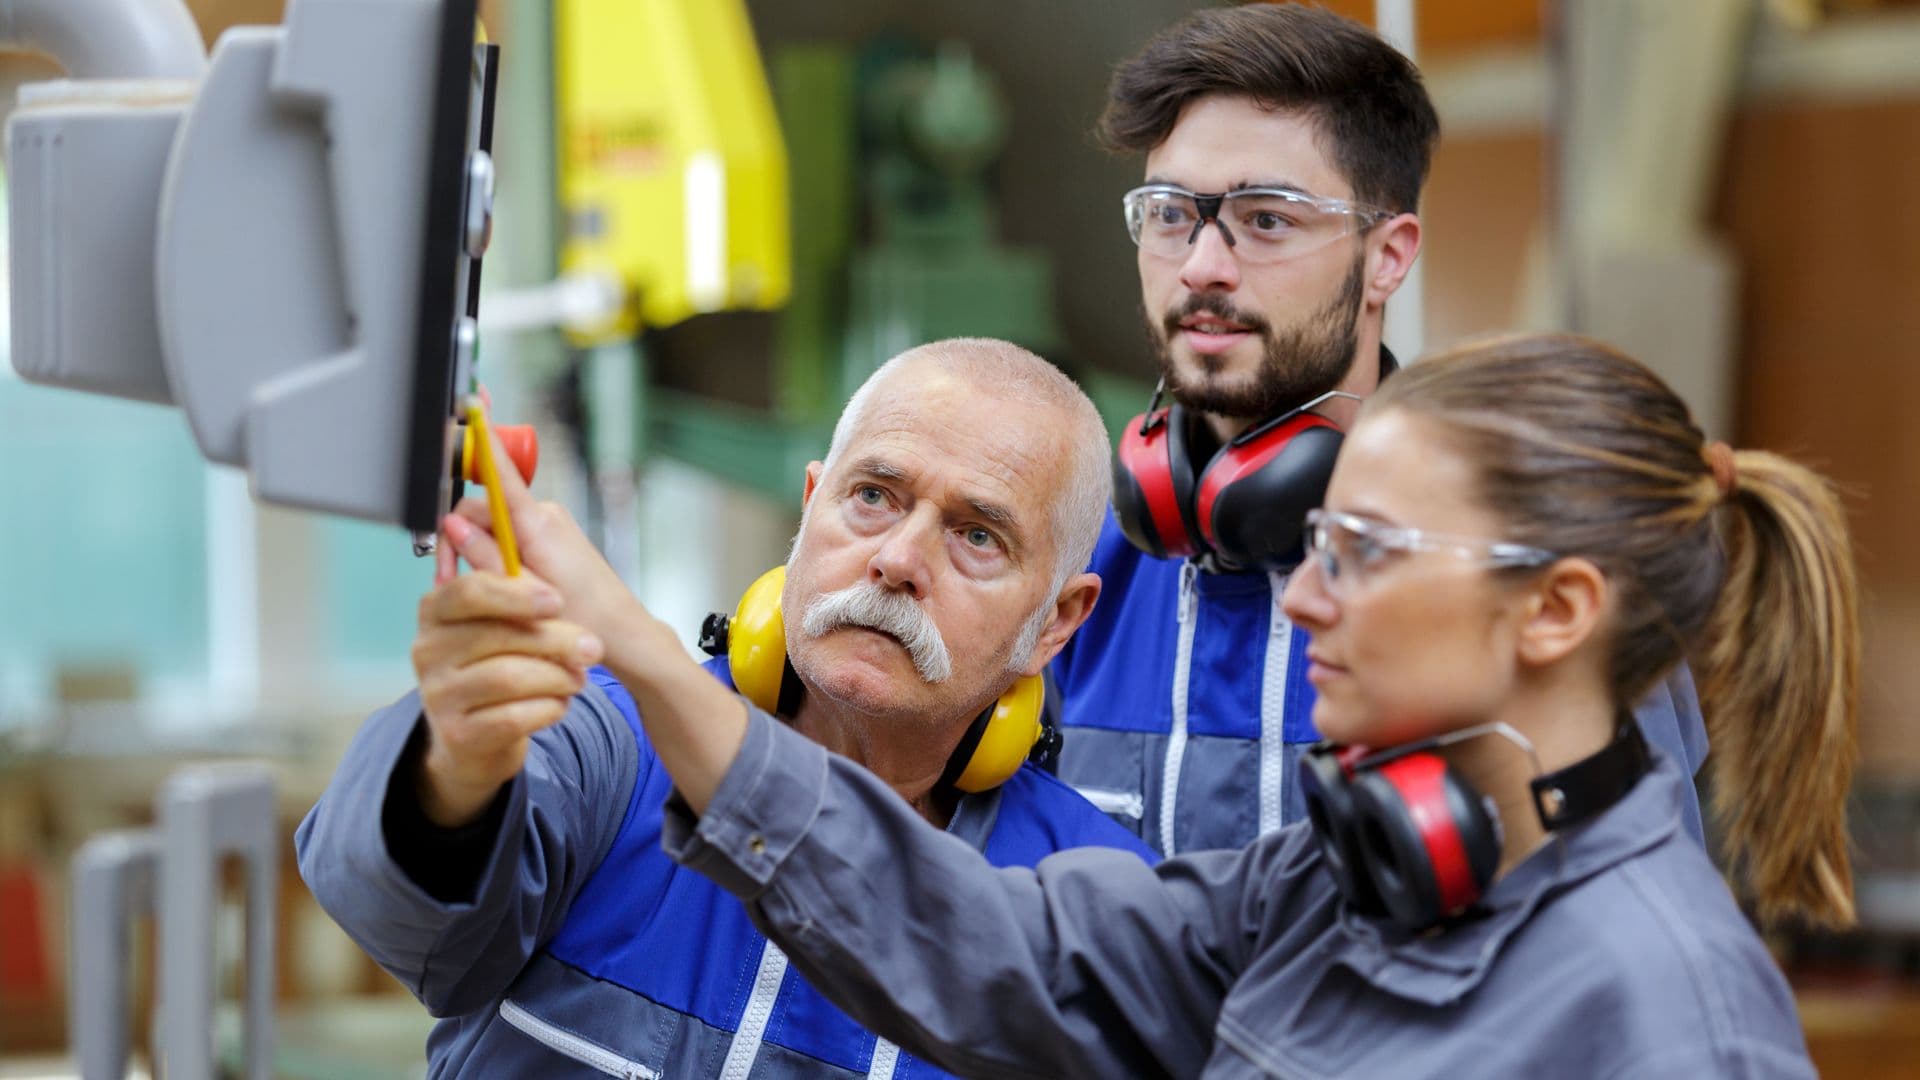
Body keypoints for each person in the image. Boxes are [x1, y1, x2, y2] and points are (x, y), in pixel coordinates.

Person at [508, 334, 1853, 1077]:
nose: (1308, 601)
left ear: (1556, 611)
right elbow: (976, 938)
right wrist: (634, 650)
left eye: (1368, 554)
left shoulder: (1675, 1021)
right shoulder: (1335, 885)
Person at [295, 339, 1156, 1077]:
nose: (897, 558)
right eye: (873, 496)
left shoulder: (1093, 910)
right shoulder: (605, 744)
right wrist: (458, 770)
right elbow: (391, 911)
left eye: (977, 535)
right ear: (810, 503)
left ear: (1059, 621)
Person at [1050, 2, 1711, 854]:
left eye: (1267, 218)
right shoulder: (1078, 577)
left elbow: (1618, 945)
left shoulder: (1526, 587)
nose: (1203, 267)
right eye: (1173, 214)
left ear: (1389, 256)